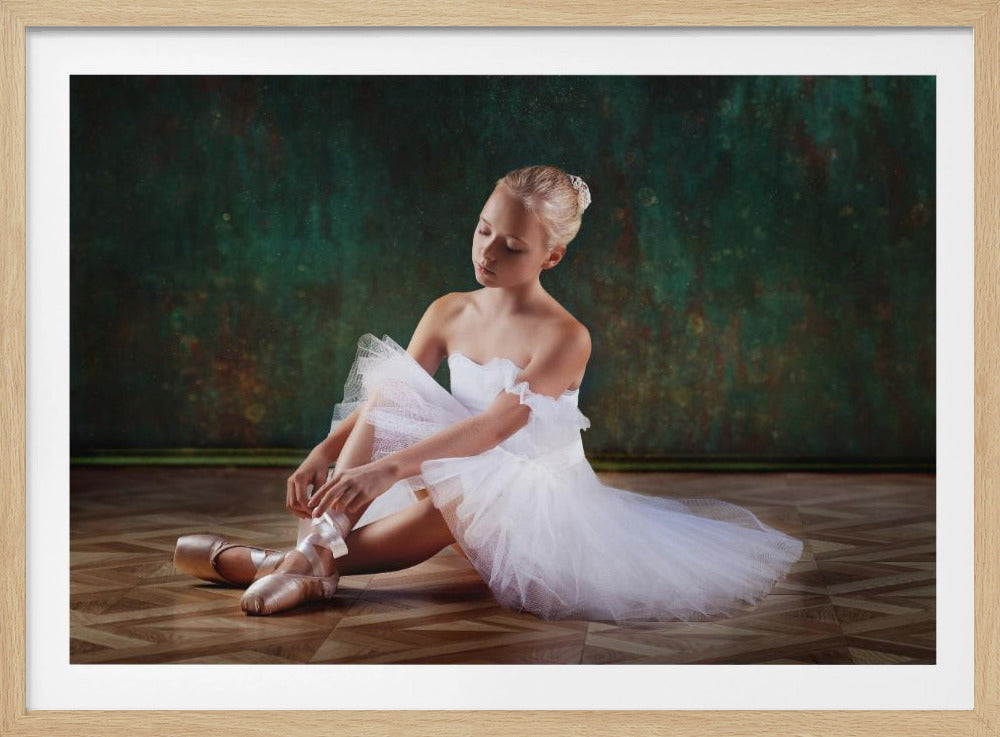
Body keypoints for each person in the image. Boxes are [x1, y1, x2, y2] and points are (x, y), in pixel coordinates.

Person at [174, 165, 804, 622]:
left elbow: (498, 430)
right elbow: (391, 397)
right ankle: (314, 556)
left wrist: (384, 469)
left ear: (551, 257)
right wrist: (325, 448)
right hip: (446, 458)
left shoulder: (566, 337)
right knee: (394, 387)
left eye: (513, 246)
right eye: (482, 231)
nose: (488, 252)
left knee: (473, 482)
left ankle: (285, 561)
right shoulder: (450, 309)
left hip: (525, 485)